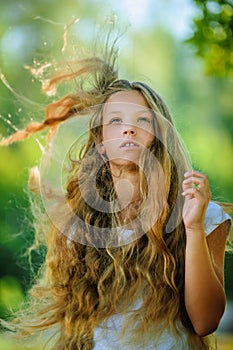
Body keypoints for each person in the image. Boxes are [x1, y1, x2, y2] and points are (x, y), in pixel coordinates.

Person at [0, 37, 232, 350]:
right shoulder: (79, 225)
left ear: (158, 136)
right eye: (116, 121)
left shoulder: (204, 216)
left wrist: (192, 227)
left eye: (142, 120)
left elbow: (206, 322)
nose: (128, 129)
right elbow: (78, 330)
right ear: (99, 139)